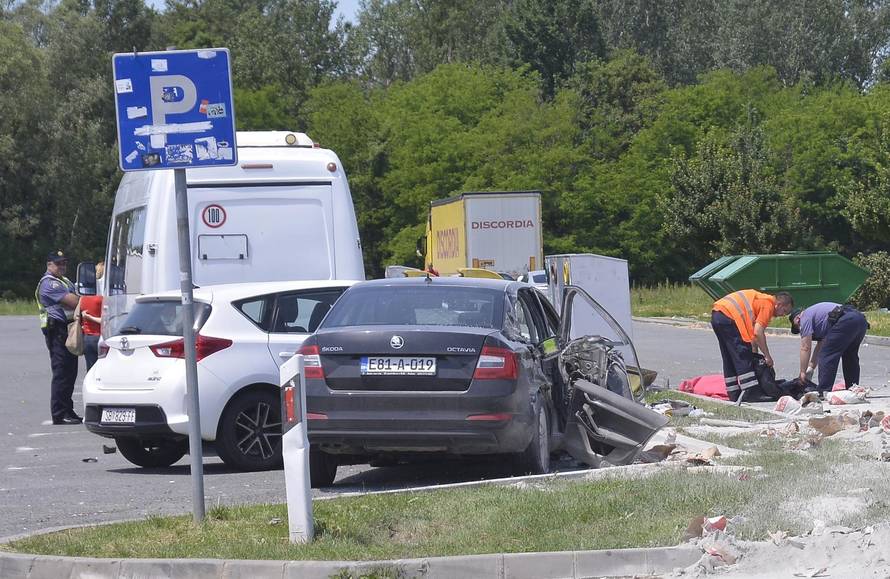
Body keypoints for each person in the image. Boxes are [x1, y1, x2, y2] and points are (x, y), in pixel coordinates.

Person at [711, 289, 795, 402]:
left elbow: (753, 335)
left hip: (718, 314)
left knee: (729, 357)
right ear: (778, 304)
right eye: (784, 311)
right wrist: (767, 356)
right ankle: (751, 393)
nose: (782, 315)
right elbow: (758, 332)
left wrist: (754, 353)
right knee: (742, 354)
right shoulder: (768, 305)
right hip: (729, 317)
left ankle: (734, 393)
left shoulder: (760, 300)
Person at [36, 250, 82, 425]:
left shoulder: (64, 281)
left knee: (70, 372)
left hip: (67, 329)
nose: (62, 266)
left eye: (64, 263)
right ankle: (59, 413)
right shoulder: (49, 283)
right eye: (58, 263)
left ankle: (68, 411)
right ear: (49, 264)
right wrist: (80, 298)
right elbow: (75, 301)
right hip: (56, 331)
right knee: (62, 372)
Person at [790, 302, 869, 397]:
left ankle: (823, 390)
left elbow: (805, 347)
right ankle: (853, 388)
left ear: (797, 319)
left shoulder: (804, 317)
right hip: (860, 319)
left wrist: (802, 373)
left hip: (845, 320)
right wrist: (810, 368)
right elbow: (820, 346)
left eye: (797, 327)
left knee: (827, 356)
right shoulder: (819, 318)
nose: (800, 329)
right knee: (850, 356)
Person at [79, 261, 104, 372]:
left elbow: (78, 315)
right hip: (100, 336)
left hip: (88, 337)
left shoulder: (83, 296)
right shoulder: (101, 299)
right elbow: (105, 320)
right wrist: (90, 318)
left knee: (91, 370)